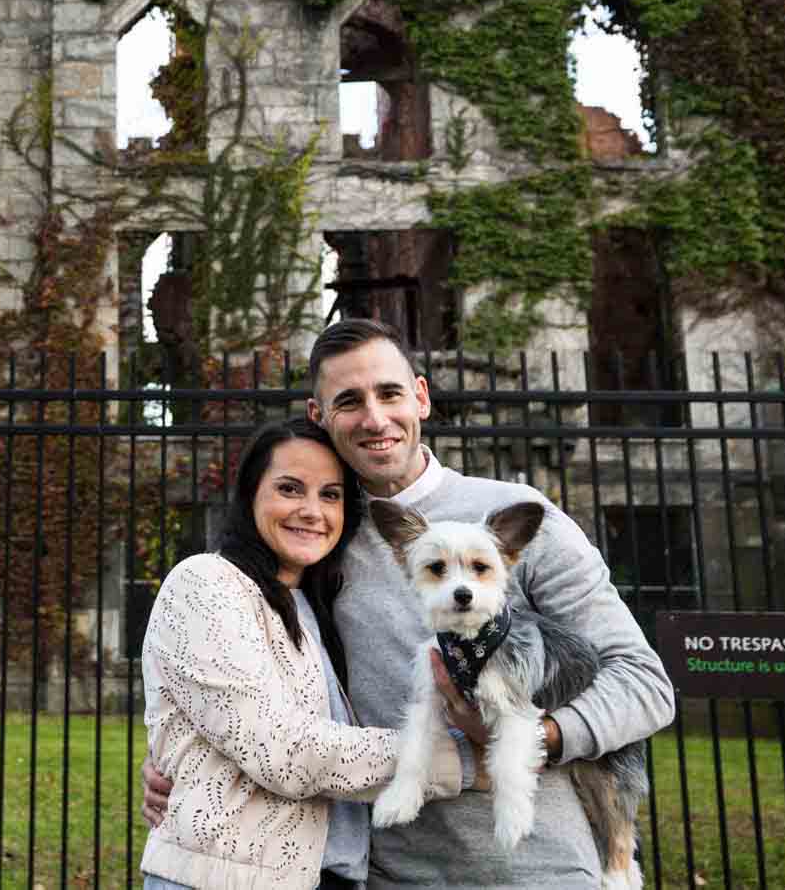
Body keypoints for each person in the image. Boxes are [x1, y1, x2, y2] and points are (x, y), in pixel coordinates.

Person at [145, 319, 674, 888]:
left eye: (390, 393)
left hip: (534, 867)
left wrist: (540, 739)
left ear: (420, 396)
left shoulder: (516, 516)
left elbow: (644, 683)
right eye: (349, 401)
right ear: (319, 415)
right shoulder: (318, 538)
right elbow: (278, 695)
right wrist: (191, 760)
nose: (374, 418)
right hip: (388, 870)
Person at [139, 417, 474, 890]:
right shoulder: (206, 583)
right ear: (252, 494)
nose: (313, 511)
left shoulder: (322, 605)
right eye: (291, 489)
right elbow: (282, 751)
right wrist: (461, 757)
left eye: (331, 495)